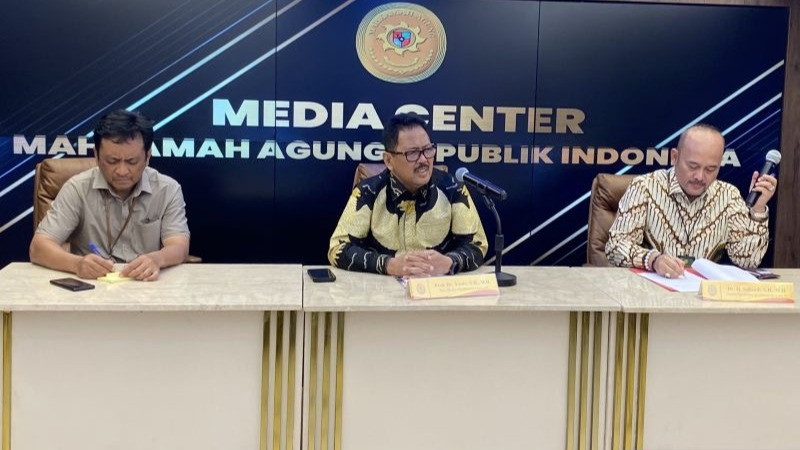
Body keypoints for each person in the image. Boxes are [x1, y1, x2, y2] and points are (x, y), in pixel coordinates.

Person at [29, 109, 190, 281]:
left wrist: (156, 259)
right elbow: (38, 247)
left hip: (144, 284)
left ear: (147, 156)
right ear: (97, 156)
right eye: (112, 161)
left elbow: (179, 245)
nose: (122, 171)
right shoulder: (77, 188)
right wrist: (77, 264)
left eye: (132, 161)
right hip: (90, 288)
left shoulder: (167, 189)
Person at [605, 123, 777, 277]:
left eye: (711, 169)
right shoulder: (645, 187)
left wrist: (758, 210)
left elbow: (747, 261)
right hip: (651, 296)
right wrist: (653, 260)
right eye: (693, 166)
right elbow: (615, 246)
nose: (700, 177)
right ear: (674, 157)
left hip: (704, 301)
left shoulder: (729, 196)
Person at [328, 113, 488, 277]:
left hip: (438, 292)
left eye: (428, 150)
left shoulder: (453, 189)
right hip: (381, 294)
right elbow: (338, 249)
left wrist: (450, 262)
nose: (424, 160)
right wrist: (388, 265)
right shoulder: (368, 191)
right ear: (389, 160)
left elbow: (477, 245)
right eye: (412, 153)